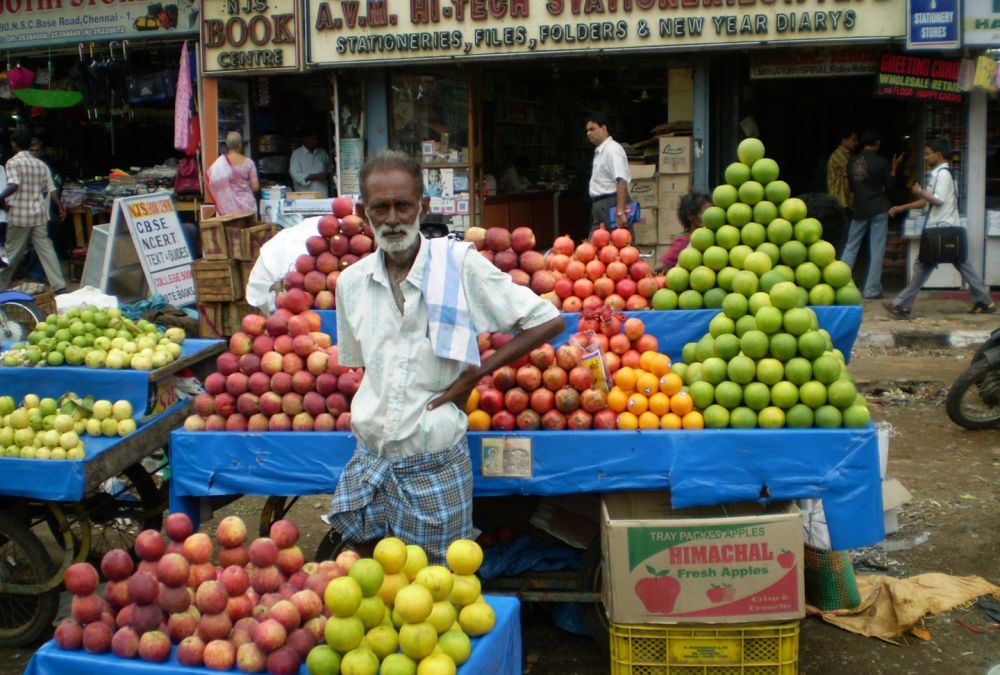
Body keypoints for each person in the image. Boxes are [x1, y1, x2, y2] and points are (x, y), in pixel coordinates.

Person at [325, 150, 564, 563]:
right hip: (370, 461)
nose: (393, 218)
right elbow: (367, 366)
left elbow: (547, 321)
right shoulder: (351, 283)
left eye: (404, 204)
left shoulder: (457, 266)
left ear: (424, 206)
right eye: (381, 207)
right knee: (373, 588)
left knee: (436, 593)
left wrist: (475, 375)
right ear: (364, 214)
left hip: (433, 466)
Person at [886, 138, 995, 318]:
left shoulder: (942, 174)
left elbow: (937, 199)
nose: (926, 157)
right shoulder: (941, 173)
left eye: (929, 154)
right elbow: (929, 200)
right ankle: (984, 300)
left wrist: (920, 191)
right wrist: (903, 207)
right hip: (947, 229)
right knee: (958, 264)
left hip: (940, 229)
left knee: (922, 266)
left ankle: (901, 304)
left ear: (939, 154)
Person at [840, 128, 903, 299]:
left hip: (859, 207)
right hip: (878, 208)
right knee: (877, 249)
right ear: (878, 143)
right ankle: (871, 290)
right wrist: (894, 168)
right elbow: (889, 187)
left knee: (851, 246)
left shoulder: (852, 161)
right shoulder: (882, 162)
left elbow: (853, 187)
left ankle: (838, 284)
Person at [0, 131, 66, 292]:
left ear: (14, 144)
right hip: (38, 213)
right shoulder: (40, 164)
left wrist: (1, 197)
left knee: (12, 253)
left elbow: (14, 184)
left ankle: (0, 285)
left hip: (20, 214)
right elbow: (48, 189)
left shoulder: (13, 162)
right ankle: (59, 286)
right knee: (46, 250)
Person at [586, 112, 631, 234]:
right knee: (595, 247)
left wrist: (620, 211)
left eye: (592, 129)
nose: (588, 133)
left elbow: (621, 180)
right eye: (587, 130)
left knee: (621, 244)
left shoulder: (613, 149)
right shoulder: (600, 151)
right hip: (599, 205)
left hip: (611, 203)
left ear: (604, 128)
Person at [654, 191, 711, 273]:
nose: (710, 217)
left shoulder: (708, 239)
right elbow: (660, 267)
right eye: (706, 213)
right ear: (690, 216)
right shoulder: (684, 241)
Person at [207, 131, 260, 217]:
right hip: (247, 208)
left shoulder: (220, 163)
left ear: (227, 145)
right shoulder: (249, 163)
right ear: (240, 145)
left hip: (227, 209)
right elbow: (255, 187)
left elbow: (213, 182)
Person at [289, 132, 331, 196]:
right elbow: (295, 174)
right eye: (313, 139)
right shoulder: (297, 154)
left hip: (322, 192)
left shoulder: (322, 153)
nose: (316, 142)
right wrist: (315, 176)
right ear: (306, 139)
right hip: (305, 194)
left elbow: (330, 169)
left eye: (317, 140)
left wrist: (327, 174)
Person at [827, 128, 857, 210]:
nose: (856, 143)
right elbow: (855, 173)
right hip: (839, 201)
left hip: (846, 201)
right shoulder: (838, 155)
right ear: (844, 140)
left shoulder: (849, 155)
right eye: (853, 140)